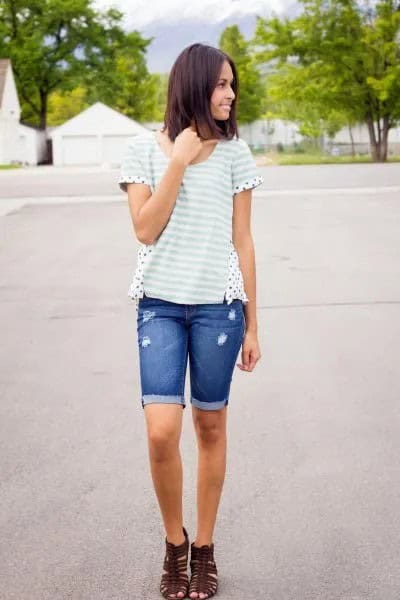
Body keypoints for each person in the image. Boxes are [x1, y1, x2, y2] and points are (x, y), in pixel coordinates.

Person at [118, 42, 263, 600]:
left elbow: (243, 241)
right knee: (161, 432)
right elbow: (144, 230)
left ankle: (203, 549)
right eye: (220, 84)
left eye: (233, 85)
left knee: (209, 426)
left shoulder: (236, 155)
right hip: (159, 303)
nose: (229, 94)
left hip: (218, 308)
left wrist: (253, 323)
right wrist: (176, 160)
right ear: (193, 86)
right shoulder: (142, 150)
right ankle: (173, 545)